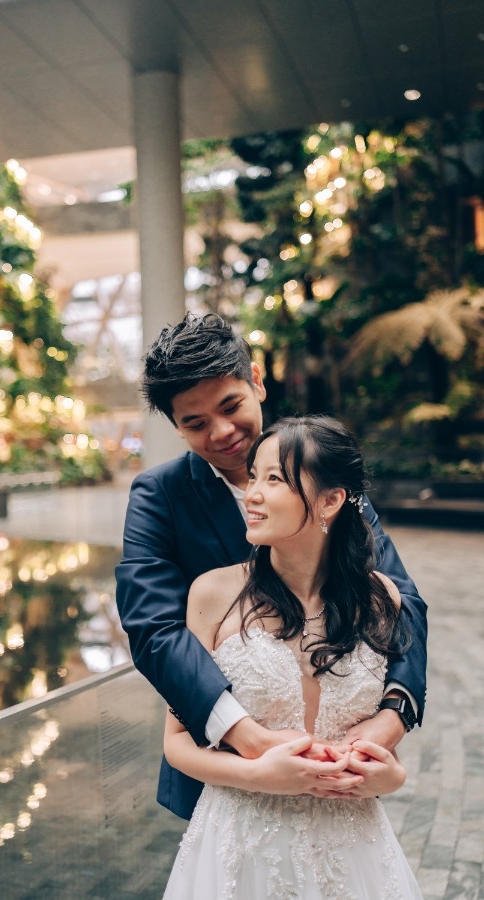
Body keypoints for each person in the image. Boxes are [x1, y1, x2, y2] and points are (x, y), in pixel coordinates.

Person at [115, 313, 428, 820]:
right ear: (176, 427)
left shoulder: (324, 473)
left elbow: (402, 599)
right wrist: (245, 735)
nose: (221, 432)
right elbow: (154, 629)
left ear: (256, 381)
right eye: (194, 423)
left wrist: (393, 715)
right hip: (223, 768)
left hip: (340, 768)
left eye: (230, 405)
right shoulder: (159, 496)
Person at [161, 415, 422, 897]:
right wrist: (256, 774)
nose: (252, 494)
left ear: (331, 501)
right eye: (253, 477)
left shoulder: (381, 598)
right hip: (241, 843)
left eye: (274, 479)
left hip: (353, 849)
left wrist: (391, 776)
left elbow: (380, 746)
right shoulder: (213, 594)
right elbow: (177, 743)